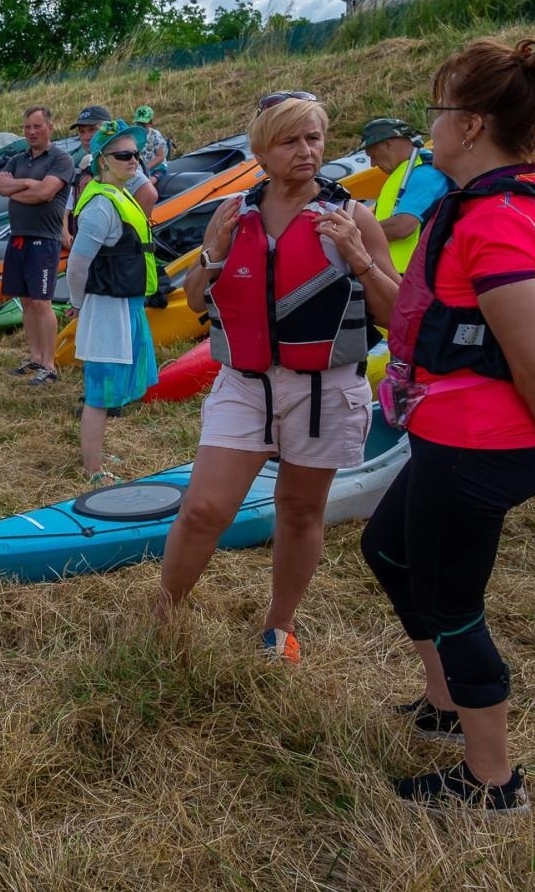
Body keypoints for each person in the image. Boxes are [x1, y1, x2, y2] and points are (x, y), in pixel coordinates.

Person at [362, 35, 535, 814]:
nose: (428, 127)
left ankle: (491, 781)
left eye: (437, 112)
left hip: (478, 445)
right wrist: (364, 258)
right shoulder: (508, 202)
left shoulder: (498, 220)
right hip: (455, 433)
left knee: (452, 602)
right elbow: (426, 312)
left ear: (468, 127)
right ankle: (442, 703)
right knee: (388, 548)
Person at [155, 90, 399, 662]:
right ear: (262, 152)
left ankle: (279, 627)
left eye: (314, 138)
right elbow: (195, 302)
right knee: (204, 508)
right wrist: (210, 253)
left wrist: (357, 256)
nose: (306, 151)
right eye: (290, 141)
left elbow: (397, 312)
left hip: (325, 387)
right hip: (245, 381)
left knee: (298, 509)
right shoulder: (233, 214)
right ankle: (166, 612)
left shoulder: (351, 217)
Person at [67, 120, 160, 485]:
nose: (134, 160)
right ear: (102, 161)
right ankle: (93, 470)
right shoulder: (100, 206)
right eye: (124, 155)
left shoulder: (120, 195)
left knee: (113, 388)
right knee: (101, 390)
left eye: (135, 153)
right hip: (108, 309)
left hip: (127, 305)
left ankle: (97, 453)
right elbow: (77, 264)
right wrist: (77, 303)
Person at [0, 105, 74, 386]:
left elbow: (45, 193)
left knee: (41, 301)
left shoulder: (61, 159)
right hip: (19, 237)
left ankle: (49, 364)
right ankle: (36, 356)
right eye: (27, 127)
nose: (31, 132)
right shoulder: (17, 159)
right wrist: (27, 183)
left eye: (37, 126)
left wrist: (19, 190)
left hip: (45, 239)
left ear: (50, 127)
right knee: (26, 301)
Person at [361, 117, 452, 272]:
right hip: (397, 273)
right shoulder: (407, 172)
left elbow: (403, 226)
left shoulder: (424, 174)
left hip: (413, 278)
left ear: (388, 144)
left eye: (373, 155)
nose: (373, 164)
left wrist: (356, 234)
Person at [134, 105, 170, 179]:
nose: (140, 127)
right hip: (141, 168)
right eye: (138, 124)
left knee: (152, 180)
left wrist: (146, 168)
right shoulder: (135, 135)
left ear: (151, 123)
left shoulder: (155, 135)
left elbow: (160, 156)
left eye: (144, 125)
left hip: (157, 167)